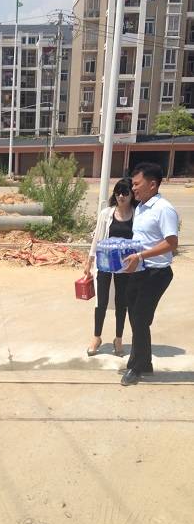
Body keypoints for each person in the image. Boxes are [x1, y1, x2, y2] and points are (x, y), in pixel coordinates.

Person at [120, 162, 179, 386]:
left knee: (140, 319)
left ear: (152, 185)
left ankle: (137, 367)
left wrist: (141, 255)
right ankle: (144, 363)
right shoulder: (142, 207)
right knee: (135, 317)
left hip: (156, 273)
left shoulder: (163, 209)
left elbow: (171, 243)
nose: (133, 188)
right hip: (139, 270)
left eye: (137, 184)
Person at [85, 178, 138, 357]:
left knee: (121, 302)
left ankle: (118, 339)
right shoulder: (106, 213)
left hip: (125, 266)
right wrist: (89, 261)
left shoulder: (137, 215)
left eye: (125, 192)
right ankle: (96, 337)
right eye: (118, 192)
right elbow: (97, 238)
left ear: (132, 195)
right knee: (101, 301)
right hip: (105, 263)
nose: (121, 196)